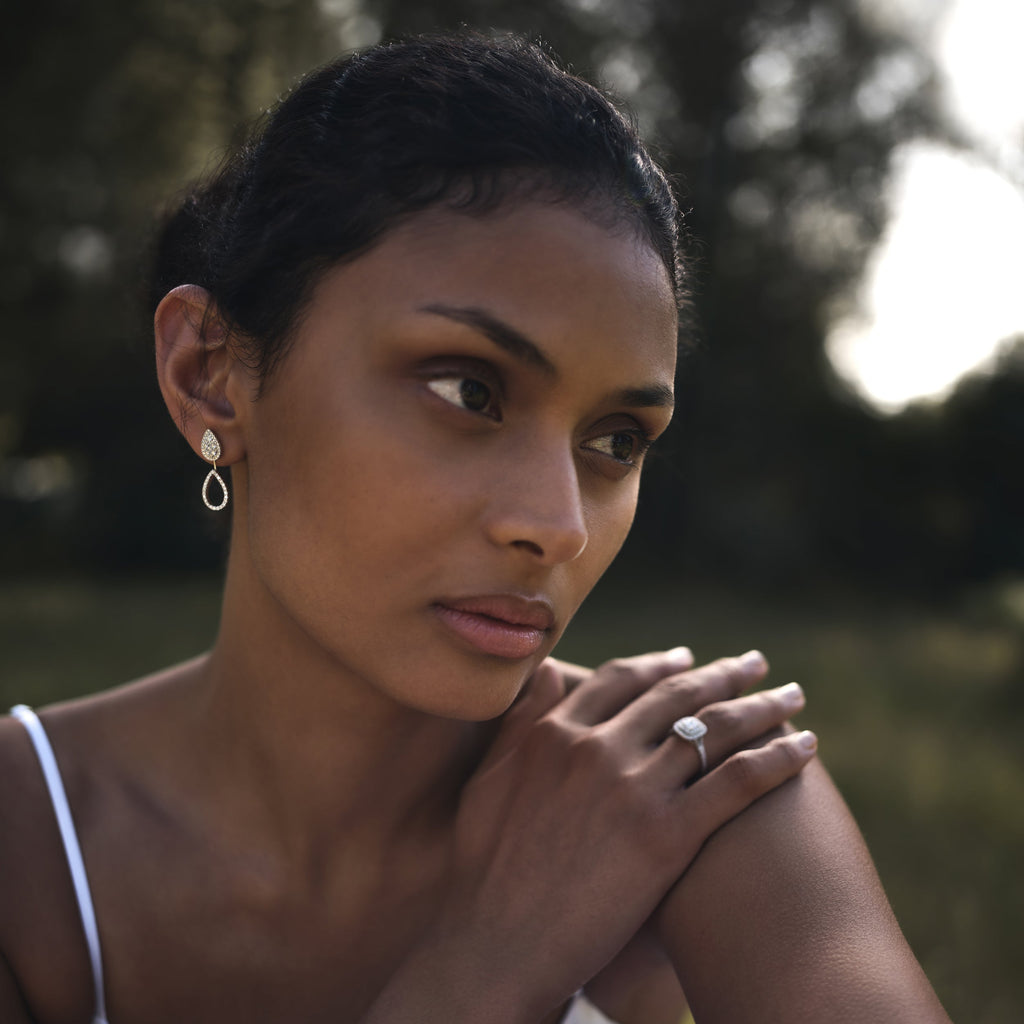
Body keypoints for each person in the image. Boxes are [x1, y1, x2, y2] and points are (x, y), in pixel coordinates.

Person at [0, 32, 951, 1024]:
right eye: (468, 390)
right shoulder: (26, 845)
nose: (558, 524)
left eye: (616, 440)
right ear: (210, 375)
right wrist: (489, 964)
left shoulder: (695, 796)